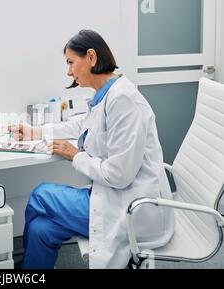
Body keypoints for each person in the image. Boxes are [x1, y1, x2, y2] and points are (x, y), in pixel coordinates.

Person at [10, 30, 174, 269]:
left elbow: (119, 175)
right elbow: (81, 124)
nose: (68, 72)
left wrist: (76, 156)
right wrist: (36, 132)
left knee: (39, 195)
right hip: (110, 195)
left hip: (132, 208)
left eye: (70, 62)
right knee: (40, 229)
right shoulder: (106, 94)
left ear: (91, 57)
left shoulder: (124, 100)